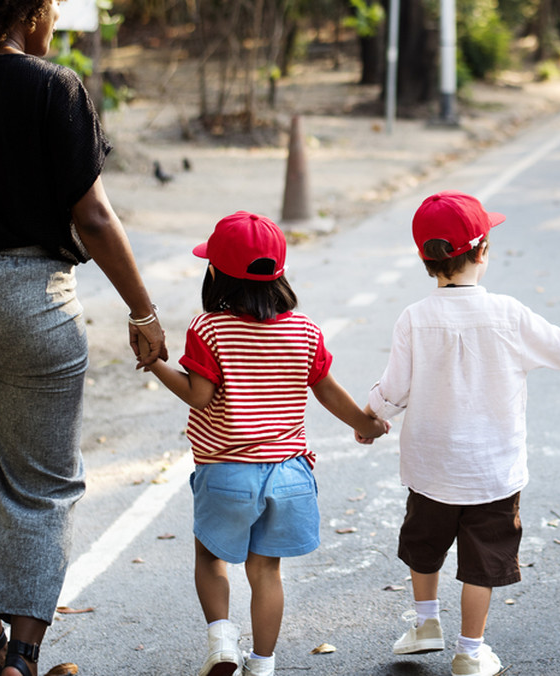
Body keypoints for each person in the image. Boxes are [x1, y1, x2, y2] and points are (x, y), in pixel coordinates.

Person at [0, 2, 168, 675]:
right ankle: (24, 659)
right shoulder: (54, 88)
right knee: (41, 484)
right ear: (28, 11)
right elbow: (91, 213)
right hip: (34, 300)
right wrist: (143, 312)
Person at [366, 190, 560, 676]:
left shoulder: (414, 319)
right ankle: (469, 650)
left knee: (424, 547)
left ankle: (425, 624)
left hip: (430, 469)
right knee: (481, 564)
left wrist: (369, 419)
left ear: (425, 258)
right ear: (482, 250)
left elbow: (393, 391)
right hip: (493, 472)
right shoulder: (507, 313)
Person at [145, 212, 389, 676]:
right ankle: (262, 663)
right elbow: (327, 390)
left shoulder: (209, 329)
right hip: (290, 475)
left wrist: (156, 363)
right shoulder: (305, 330)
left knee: (211, 556)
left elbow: (198, 394)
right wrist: (366, 423)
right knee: (266, 573)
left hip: (226, 473)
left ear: (215, 273)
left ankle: (221, 641)